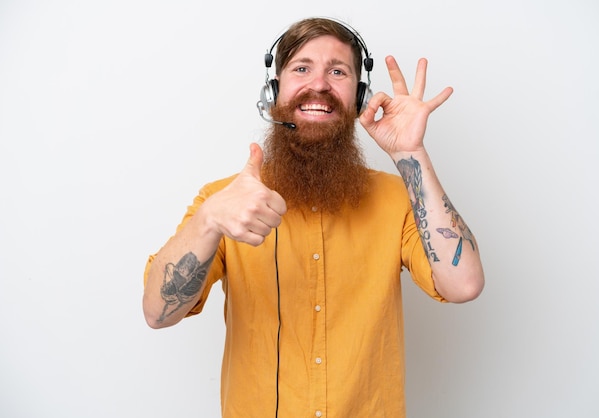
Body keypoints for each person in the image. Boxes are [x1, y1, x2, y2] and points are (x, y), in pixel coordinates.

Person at [143, 17, 484, 418]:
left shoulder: (395, 198)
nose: (319, 85)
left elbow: (463, 284)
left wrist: (411, 154)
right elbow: (157, 312)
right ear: (275, 90)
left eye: (337, 71)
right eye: (301, 68)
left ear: (359, 96)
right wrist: (208, 221)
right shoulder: (222, 201)